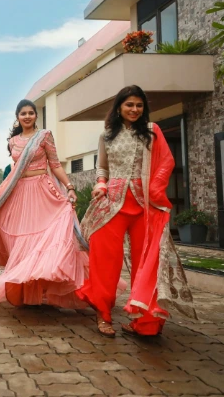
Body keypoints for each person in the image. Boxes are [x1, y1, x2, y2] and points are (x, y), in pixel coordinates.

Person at [77, 85, 196, 337]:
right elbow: (102, 168)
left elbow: (167, 161)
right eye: (129, 104)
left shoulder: (152, 132)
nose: (134, 109)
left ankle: (146, 322)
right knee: (106, 262)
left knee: (147, 263)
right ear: (119, 107)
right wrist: (100, 184)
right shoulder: (107, 135)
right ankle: (103, 314)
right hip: (112, 204)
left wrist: (155, 189)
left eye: (139, 105)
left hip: (145, 206)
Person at [0, 99, 95, 309]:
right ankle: (26, 289)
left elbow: (55, 164)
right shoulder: (13, 141)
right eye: (23, 114)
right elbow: (14, 171)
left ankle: (45, 285)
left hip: (42, 190)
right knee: (22, 242)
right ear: (17, 117)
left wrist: (70, 187)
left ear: (35, 116)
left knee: (44, 238)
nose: (27, 116)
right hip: (20, 193)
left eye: (31, 113)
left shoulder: (44, 136)